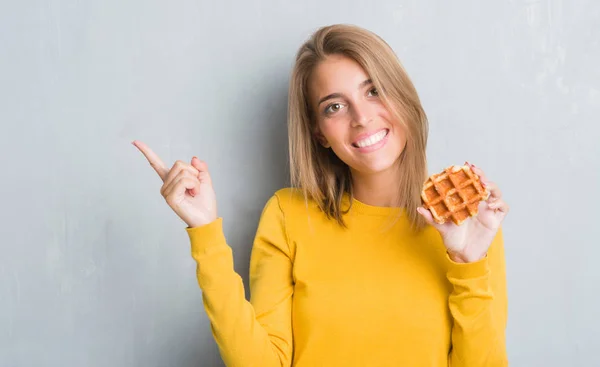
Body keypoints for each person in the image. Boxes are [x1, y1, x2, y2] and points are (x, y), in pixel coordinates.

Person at [133, 24, 509, 367]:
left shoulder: (470, 223)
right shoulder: (289, 215)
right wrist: (206, 235)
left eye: (374, 90)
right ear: (318, 133)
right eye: (335, 106)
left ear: (403, 96)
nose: (361, 117)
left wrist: (469, 263)